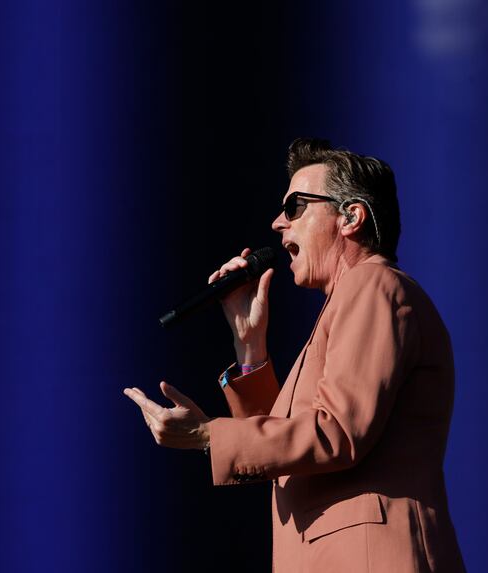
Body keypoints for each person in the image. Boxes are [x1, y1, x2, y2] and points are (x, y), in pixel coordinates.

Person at [123, 138, 466, 572]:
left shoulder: (372, 285)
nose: (277, 223)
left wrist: (208, 435)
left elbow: (336, 432)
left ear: (351, 217)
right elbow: (287, 448)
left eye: (294, 207)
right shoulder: (347, 302)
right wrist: (250, 342)